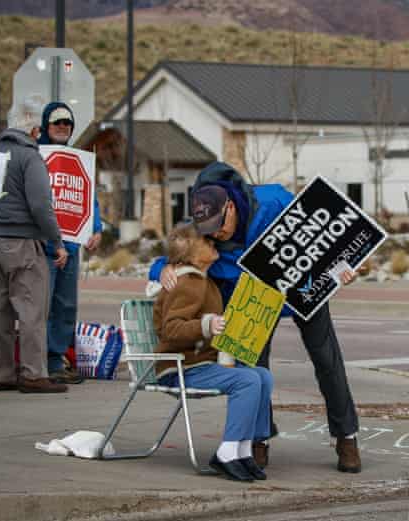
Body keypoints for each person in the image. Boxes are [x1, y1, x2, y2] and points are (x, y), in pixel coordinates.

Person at [150, 162, 362, 473]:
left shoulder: (274, 202)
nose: (217, 235)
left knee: (327, 358)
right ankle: (258, 440)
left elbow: (321, 240)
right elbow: (167, 257)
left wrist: (342, 269)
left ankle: (347, 437)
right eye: (209, 233)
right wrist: (163, 270)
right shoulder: (200, 220)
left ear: (231, 207)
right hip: (252, 297)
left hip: (302, 286)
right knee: (254, 364)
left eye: (220, 227)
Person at [153, 222, 273, 483]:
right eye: (206, 242)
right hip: (180, 369)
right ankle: (227, 452)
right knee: (248, 380)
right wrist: (207, 325)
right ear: (192, 253)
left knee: (262, 375)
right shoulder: (187, 283)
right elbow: (170, 329)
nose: (213, 243)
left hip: (200, 366)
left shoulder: (205, 283)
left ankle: (243, 449)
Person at [0, 95, 69, 394]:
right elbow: (41, 205)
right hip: (21, 240)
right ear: (33, 130)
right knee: (31, 309)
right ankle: (33, 374)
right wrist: (56, 241)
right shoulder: (29, 156)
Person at [36, 102, 103, 384]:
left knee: (65, 306)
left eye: (67, 123)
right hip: (43, 247)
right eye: (57, 123)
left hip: (72, 246)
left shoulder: (78, 161)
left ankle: (56, 360)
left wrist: (96, 229)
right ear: (45, 126)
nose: (63, 127)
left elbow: (88, 198)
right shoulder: (35, 158)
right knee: (42, 306)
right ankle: (37, 364)